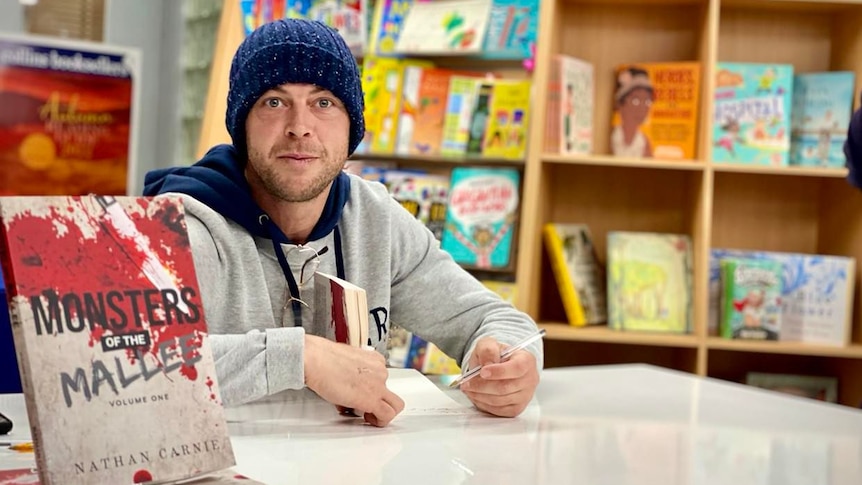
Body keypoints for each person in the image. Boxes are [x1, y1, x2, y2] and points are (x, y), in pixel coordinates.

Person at [143, 19, 542, 427]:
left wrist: (509, 362)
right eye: (274, 102)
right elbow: (128, 368)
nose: (300, 127)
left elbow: (495, 319)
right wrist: (300, 358)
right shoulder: (182, 225)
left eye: (323, 103)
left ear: (352, 126)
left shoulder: (376, 220)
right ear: (241, 125)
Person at [610, 67, 654, 158]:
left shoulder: (644, 143)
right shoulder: (613, 136)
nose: (642, 107)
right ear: (620, 104)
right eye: (635, 101)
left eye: (647, 101)